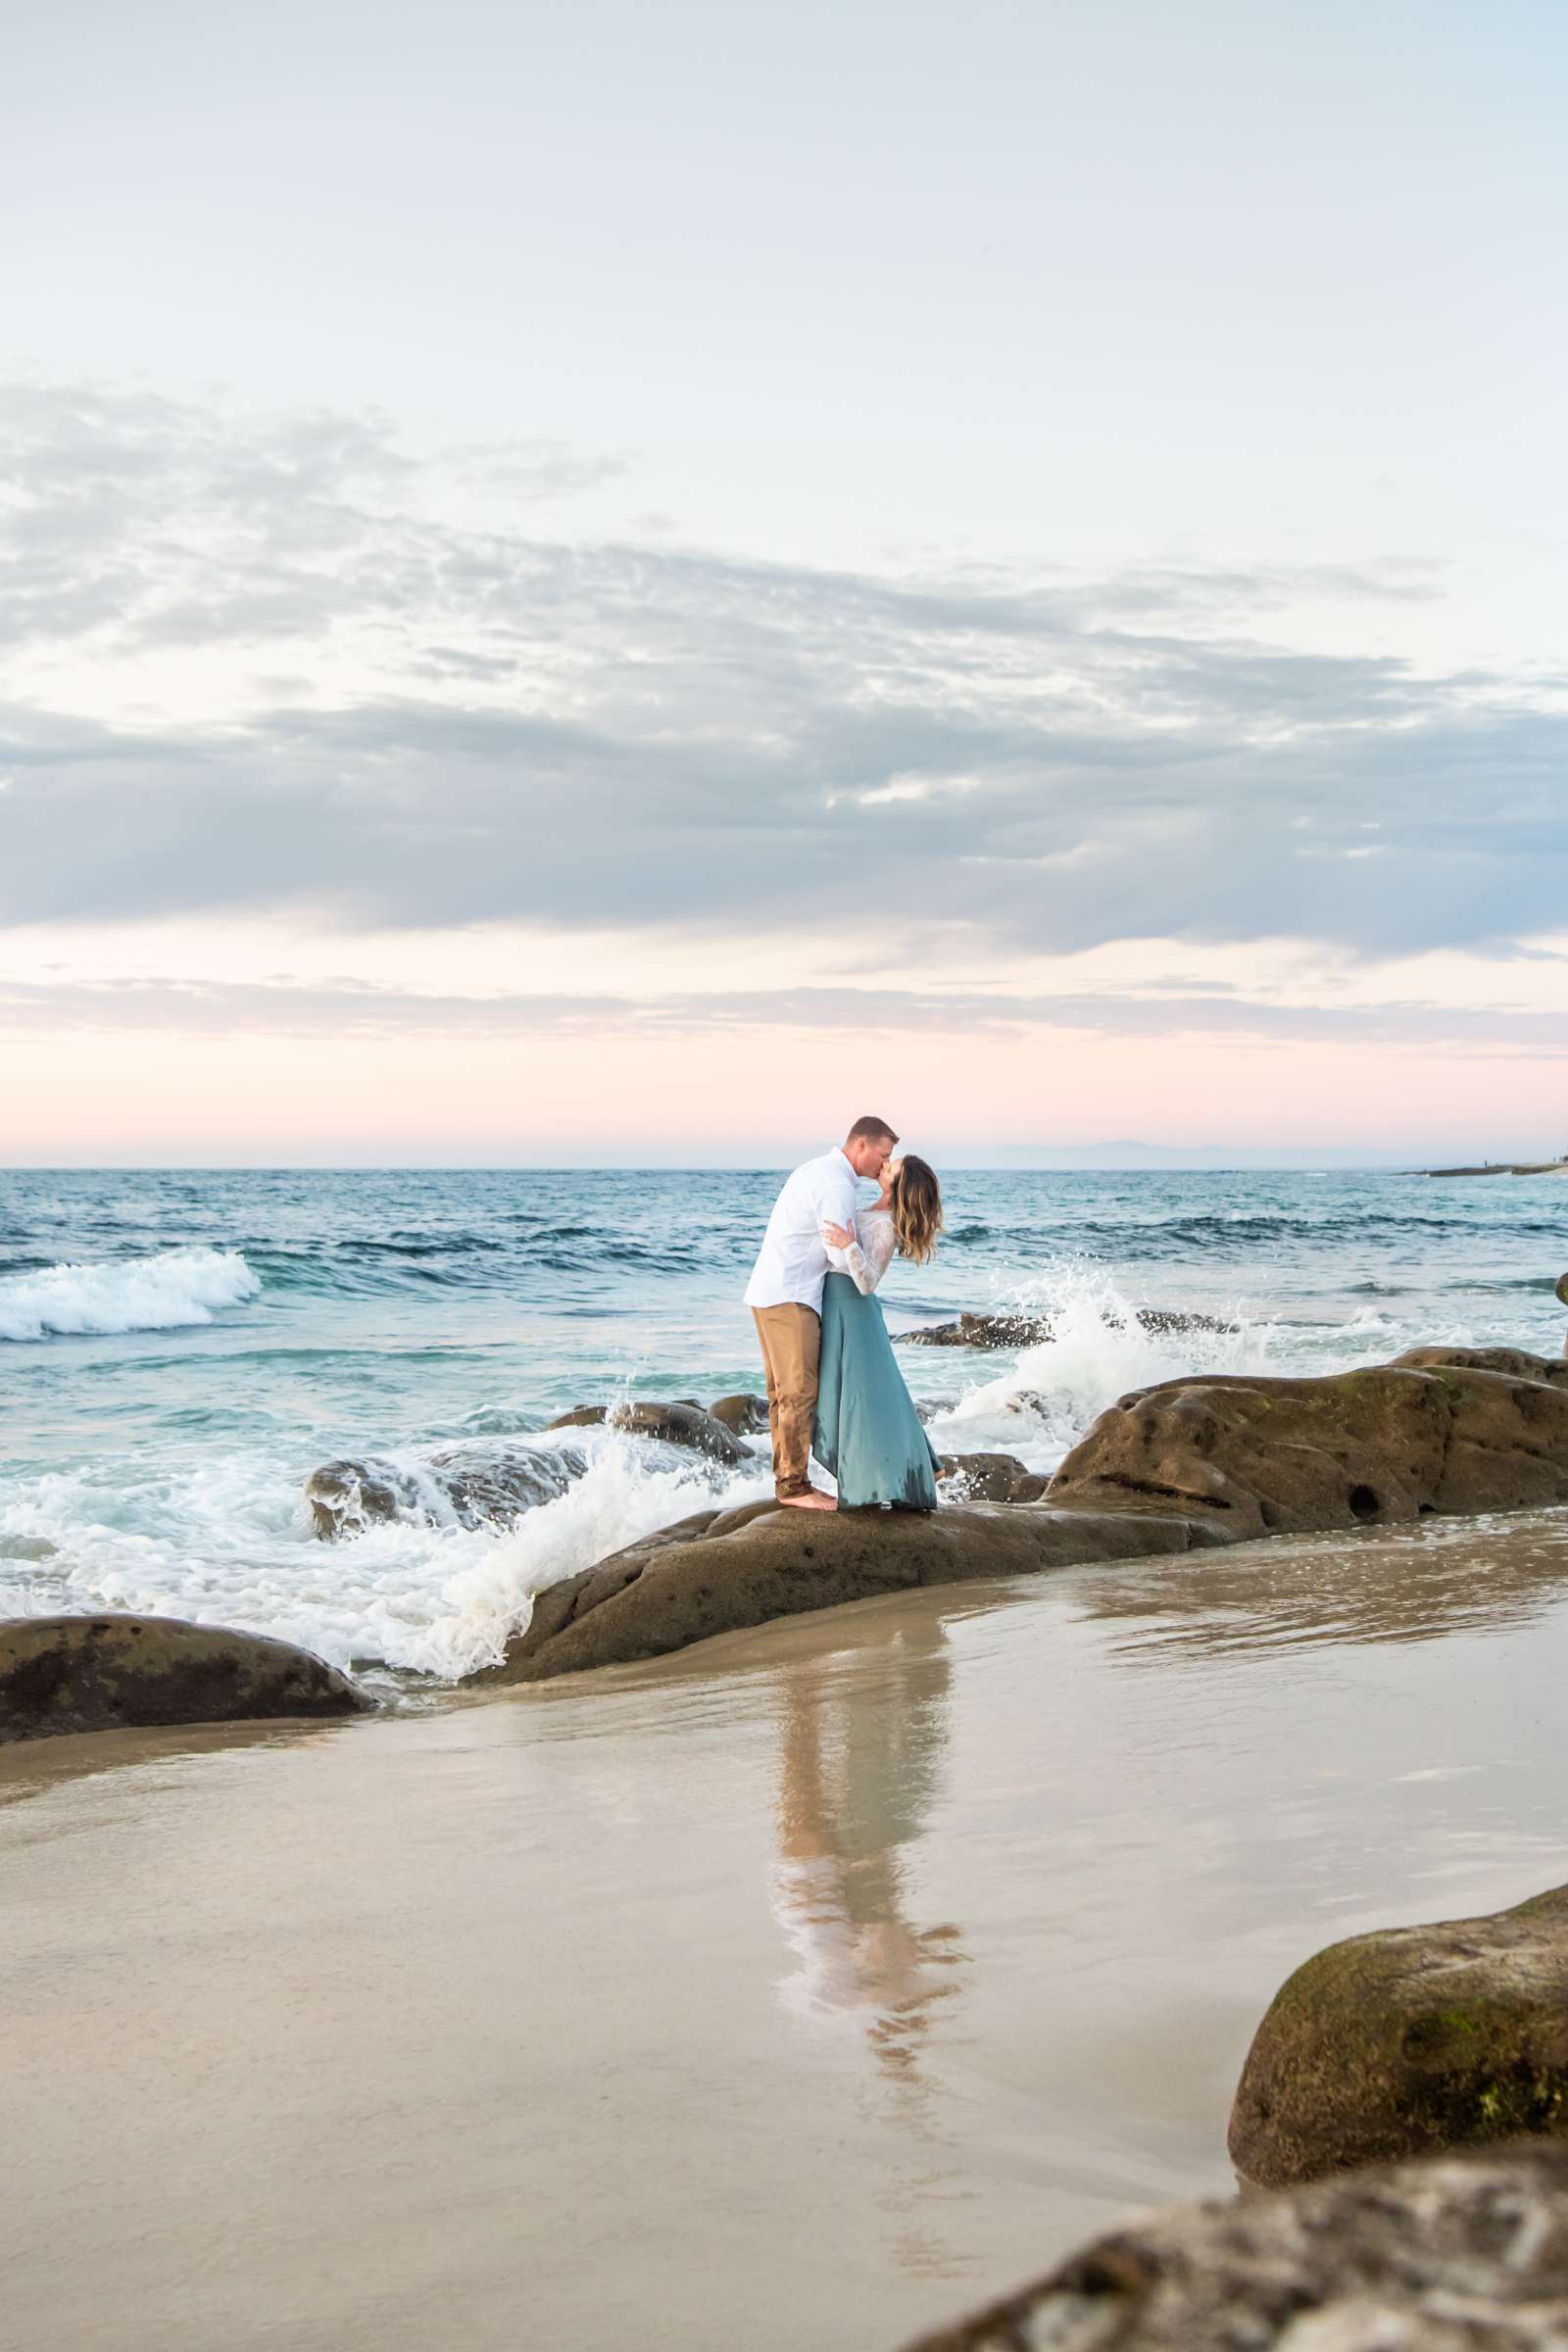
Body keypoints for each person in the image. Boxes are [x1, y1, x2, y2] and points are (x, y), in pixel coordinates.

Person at [745, 1118, 899, 1509]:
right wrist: (857, 1251)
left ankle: (788, 1481)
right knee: (798, 1393)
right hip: (792, 1295)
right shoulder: (836, 1185)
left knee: (782, 1394)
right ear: (861, 1145)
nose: (885, 1164)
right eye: (883, 1155)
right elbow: (837, 1254)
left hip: (769, 1290)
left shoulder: (818, 1170)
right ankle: (794, 1487)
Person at [815, 1155, 945, 1510]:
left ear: (898, 1185)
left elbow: (868, 1281)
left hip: (854, 1310)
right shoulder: (870, 1208)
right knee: (858, 1396)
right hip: (840, 1306)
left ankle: (880, 1483)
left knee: (866, 1401)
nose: (884, 1165)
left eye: (892, 1168)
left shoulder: (887, 1225)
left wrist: (847, 1244)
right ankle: (900, 1471)